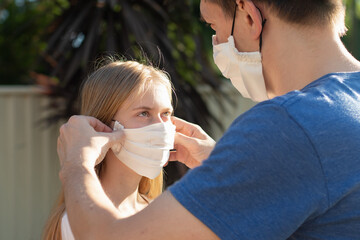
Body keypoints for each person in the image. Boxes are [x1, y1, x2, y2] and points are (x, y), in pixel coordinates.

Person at [57, 0, 360, 239]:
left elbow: (104, 236)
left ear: (249, 15)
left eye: (215, 26)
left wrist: (75, 162)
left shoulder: (288, 126)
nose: (216, 42)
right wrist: (226, 166)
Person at [43, 59, 177, 239]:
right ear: (104, 125)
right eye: (144, 113)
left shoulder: (162, 214)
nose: (161, 127)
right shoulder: (78, 221)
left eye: (165, 114)